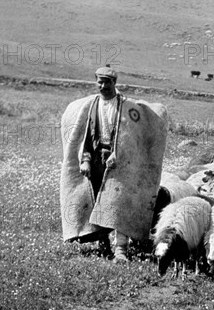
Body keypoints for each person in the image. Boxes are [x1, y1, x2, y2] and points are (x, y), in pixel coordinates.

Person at [60, 66, 169, 262]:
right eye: (99, 82)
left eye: (107, 82)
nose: (103, 86)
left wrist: (119, 154)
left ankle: (121, 249)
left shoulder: (127, 108)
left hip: (121, 164)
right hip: (97, 162)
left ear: (114, 83)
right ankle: (103, 244)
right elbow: (84, 138)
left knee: (120, 203)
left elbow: (132, 138)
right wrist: (85, 160)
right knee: (98, 203)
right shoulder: (91, 107)